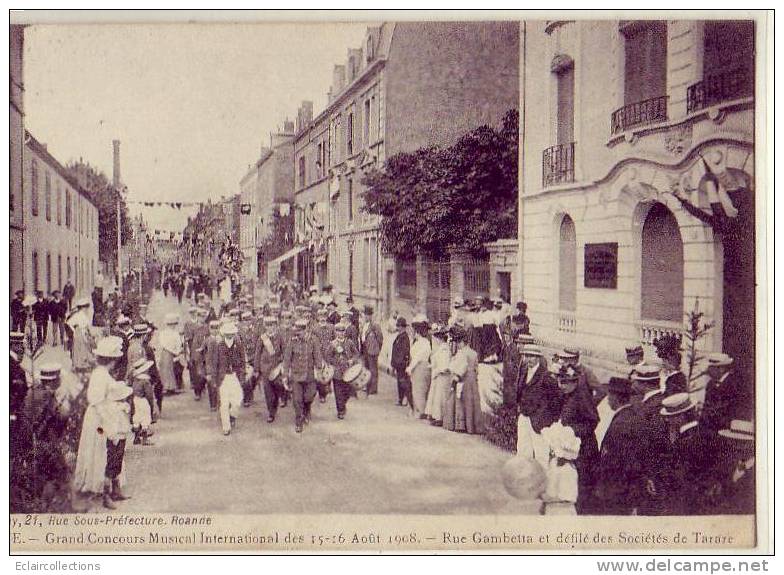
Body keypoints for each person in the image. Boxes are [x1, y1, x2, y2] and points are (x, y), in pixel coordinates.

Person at [72, 336, 130, 509]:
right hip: (99, 418)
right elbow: (97, 400)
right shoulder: (100, 375)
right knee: (103, 451)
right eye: (114, 360)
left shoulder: (104, 373)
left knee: (115, 449)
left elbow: (110, 393)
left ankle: (115, 487)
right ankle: (104, 493)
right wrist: (108, 419)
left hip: (108, 413)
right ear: (110, 360)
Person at [553, 363, 599, 514]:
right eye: (560, 381)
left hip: (584, 450)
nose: (562, 385)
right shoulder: (566, 395)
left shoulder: (582, 396)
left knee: (584, 488)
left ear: (575, 382)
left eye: (566, 382)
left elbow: (592, 422)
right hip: (570, 448)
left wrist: (571, 431)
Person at [592, 377, 639, 515]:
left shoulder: (621, 423)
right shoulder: (630, 415)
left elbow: (615, 460)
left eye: (610, 395)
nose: (607, 399)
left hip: (615, 488)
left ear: (616, 397)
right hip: (622, 487)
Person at [516, 343, 560, 468]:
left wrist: (547, 417)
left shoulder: (545, 375)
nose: (528, 359)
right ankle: (524, 479)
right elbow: (520, 391)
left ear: (538, 358)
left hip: (538, 420)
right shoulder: (524, 371)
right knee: (523, 451)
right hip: (524, 417)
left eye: (532, 356)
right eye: (526, 356)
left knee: (541, 454)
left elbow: (556, 399)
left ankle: (542, 483)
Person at [282, 319, 323, 433]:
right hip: (296, 375)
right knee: (297, 399)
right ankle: (299, 421)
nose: (297, 334)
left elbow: (317, 356)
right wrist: (285, 375)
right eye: (296, 332)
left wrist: (319, 370)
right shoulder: (292, 341)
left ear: (305, 330)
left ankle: (307, 409)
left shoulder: (313, 340)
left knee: (309, 396)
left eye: (299, 332)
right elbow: (286, 359)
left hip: (310, 375)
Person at [210, 322, 246, 436]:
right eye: (227, 334)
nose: (229, 336)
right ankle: (226, 427)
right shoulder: (219, 346)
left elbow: (242, 361)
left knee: (238, 399)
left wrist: (243, 374)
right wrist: (214, 380)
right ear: (224, 334)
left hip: (235, 376)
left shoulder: (238, 345)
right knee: (224, 403)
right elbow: (215, 363)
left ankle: (232, 415)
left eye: (231, 334)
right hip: (223, 377)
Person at [325, 322, 360, 420]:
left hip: (348, 372)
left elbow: (356, 354)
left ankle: (343, 404)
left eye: (342, 331)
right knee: (338, 392)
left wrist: (352, 360)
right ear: (335, 333)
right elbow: (328, 357)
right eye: (338, 331)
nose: (340, 333)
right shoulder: (332, 344)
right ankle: (340, 410)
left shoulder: (349, 343)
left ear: (344, 332)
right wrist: (336, 361)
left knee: (347, 391)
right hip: (337, 372)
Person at [700, 352, 740, 434]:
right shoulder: (710, 384)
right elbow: (707, 406)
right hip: (710, 429)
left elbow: (729, 410)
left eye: (710, 368)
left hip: (726, 430)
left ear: (721, 369)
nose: (708, 370)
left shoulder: (734, 384)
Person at [255, 315, 284, 423]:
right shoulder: (262, 338)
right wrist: (257, 369)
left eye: (272, 325)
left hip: (276, 368)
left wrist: (282, 363)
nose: (270, 327)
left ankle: (277, 402)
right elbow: (257, 353)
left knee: (277, 387)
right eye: (268, 325)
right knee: (268, 392)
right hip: (265, 368)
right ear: (265, 326)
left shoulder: (279, 337)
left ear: (275, 326)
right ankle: (271, 413)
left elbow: (285, 351)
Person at [425, 324, 450, 427]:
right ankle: (436, 416)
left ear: (441, 339)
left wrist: (437, 370)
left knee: (441, 397)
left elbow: (444, 365)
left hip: (442, 375)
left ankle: (440, 418)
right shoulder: (440, 349)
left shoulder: (444, 349)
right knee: (437, 397)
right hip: (438, 375)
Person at [407, 316, 432, 419]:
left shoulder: (424, 343)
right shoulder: (419, 342)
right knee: (417, 389)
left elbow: (417, 357)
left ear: (418, 332)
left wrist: (410, 368)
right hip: (418, 367)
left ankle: (421, 411)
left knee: (420, 390)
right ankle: (418, 409)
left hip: (421, 367)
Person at [129, 358, 157, 446]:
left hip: (135, 399)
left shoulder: (135, 380)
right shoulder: (145, 381)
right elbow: (149, 394)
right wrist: (151, 404)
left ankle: (136, 438)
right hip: (143, 400)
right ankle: (145, 439)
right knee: (145, 417)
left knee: (137, 417)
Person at [311, 309, 335, 403]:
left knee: (328, 372)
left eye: (324, 316)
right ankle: (321, 394)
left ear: (326, 317)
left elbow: (334, 339)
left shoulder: (331, 327)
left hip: (328, 354)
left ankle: (326, 388)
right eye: (320, 317)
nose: (322, 318)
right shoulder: (314, 328)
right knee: (320, 374)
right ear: (318, 317)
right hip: (319, 355)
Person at [359, 305, 384, 397]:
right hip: (365, 348)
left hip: (372, 350)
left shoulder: (375, 325)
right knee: (366, 369)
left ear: (371, 316)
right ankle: (368, 386)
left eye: (368, 315)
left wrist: (377, 349)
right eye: (365, 315)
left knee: (373, 369)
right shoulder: (363, 325)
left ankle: (373, 388)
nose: (366, 317)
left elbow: (380, 339)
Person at [158, 313, 183, 395]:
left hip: (174, 353)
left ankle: (172, 387)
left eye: (173, 324)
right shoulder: (163, 333)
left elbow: (179, 343)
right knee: (165, 369)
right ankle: (166, 387)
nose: (172, 326)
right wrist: (173, 350)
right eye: (171, 324)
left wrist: (177, 351)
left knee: (173, 369)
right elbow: (163, 344)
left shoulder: (175, 333)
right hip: (166, 353)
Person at [390, 316, 412, 409]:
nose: (397, 328)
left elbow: (403, 353)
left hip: (401, 364)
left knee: (402, 382)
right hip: (398, 363)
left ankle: (404, 398)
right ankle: (402, 398)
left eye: (399, 326)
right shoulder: (400, 336)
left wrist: (397, 364)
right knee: (400, 382)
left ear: (403, 327)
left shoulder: (404, 338)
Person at [203, 319, 222, 412]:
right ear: (209, 329)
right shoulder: (207, 340)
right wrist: (207, 370)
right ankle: (213, 404)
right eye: (212, 328)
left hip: (221, 366)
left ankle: (220, 403)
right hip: (210, 366)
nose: (214, 330)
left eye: (216, 328)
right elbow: (204, 355)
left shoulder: (222, 339)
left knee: (220, 385)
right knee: (211, 385)